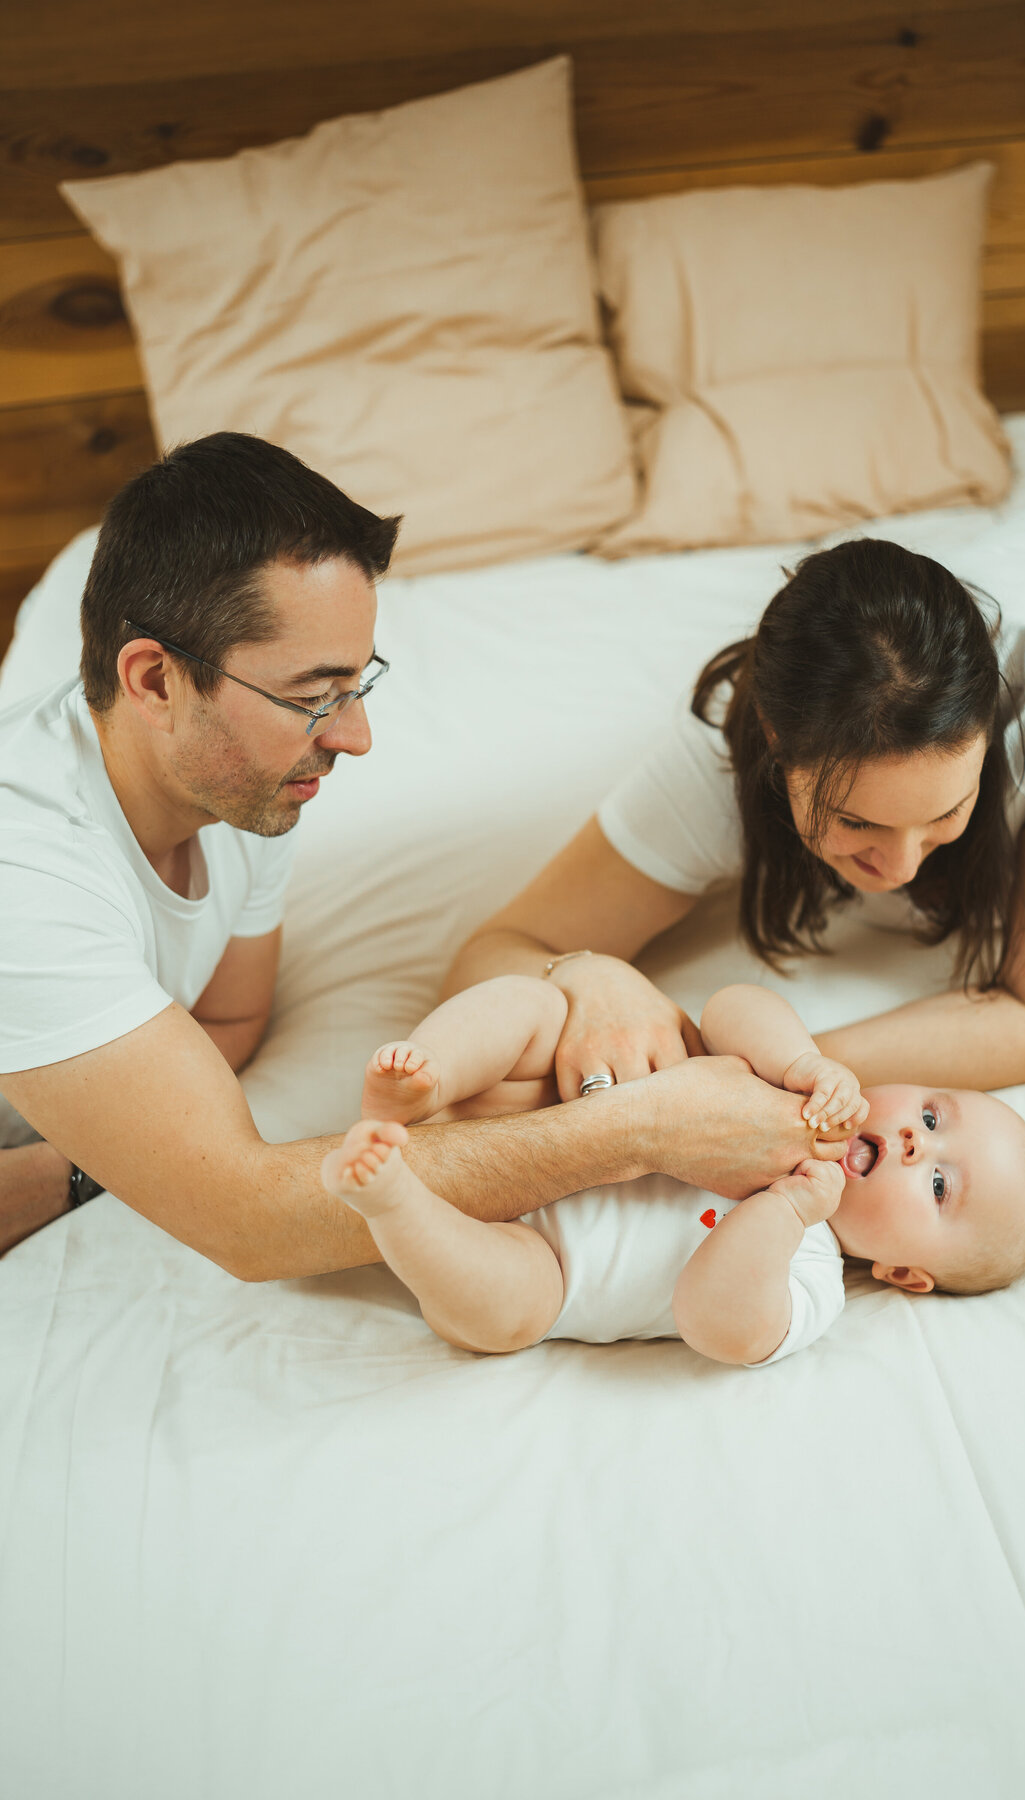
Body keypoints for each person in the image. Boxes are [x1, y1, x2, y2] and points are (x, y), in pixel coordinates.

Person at [0, 434, 846, 1271]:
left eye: (358, 685)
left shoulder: (232, 781)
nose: (355, 736)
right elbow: (249, 1221)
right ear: (155, 682)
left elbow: (228, 1017)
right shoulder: (27, 870)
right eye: (313, 696)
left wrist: (90, 1156)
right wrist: (644, 1131)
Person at [442, 463, 1025, 1097]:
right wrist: (584, 974)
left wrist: (763, 1067)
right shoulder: (723, 751)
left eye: (947, 811)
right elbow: (499, 949)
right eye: (858, 821)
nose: (899, 869)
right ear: (776, 741)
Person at [322, 977, 1025, 1364]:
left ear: (903, 1274)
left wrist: (788, 1210)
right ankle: (426, 1079)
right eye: (929, 1115)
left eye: (941, 1187)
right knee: (538, 1004)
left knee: (502, 1316)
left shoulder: (814, 1281)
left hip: (546, 1261)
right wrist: (799, 1060)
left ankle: (391, 1198)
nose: (918, 1145)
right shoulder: (794, 1087)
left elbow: (714, 1323)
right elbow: (733, 1003)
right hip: (523, 1109)